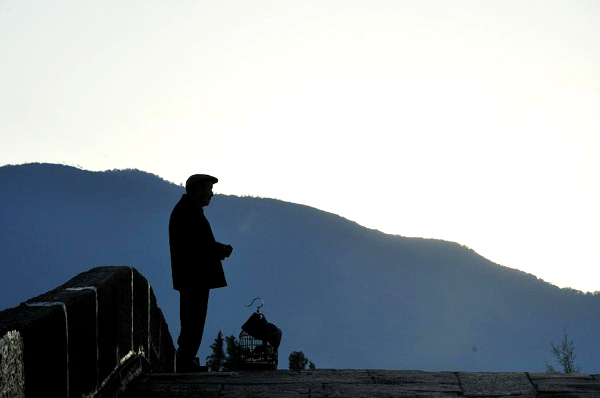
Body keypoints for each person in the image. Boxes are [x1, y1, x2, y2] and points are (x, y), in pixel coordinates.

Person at [169, 174, 233, 372]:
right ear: (197, 190)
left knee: (191, 319)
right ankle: (185, 359)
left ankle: (187, 357)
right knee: (193, 320)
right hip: (194, 277)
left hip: (192, 276)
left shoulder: (188, 210)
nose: (211, 194)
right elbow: (200, 245)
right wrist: (221, 250)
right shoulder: (189, 212)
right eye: (208, 189)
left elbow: (198, 243)